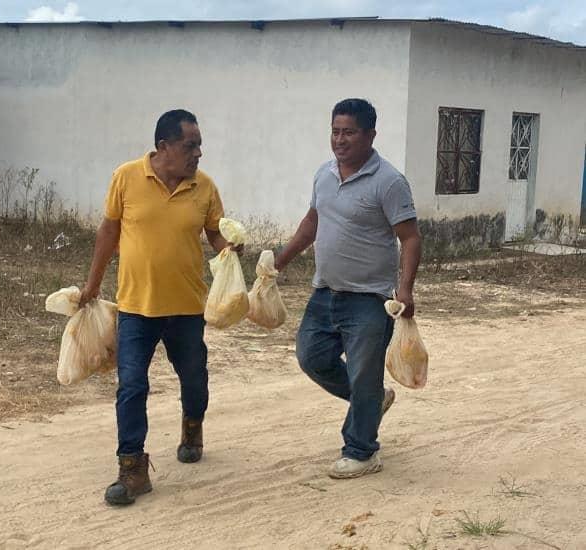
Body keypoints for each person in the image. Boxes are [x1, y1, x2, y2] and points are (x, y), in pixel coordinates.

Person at [79, 109, 237, 506]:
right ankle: (132, 468)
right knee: (131, 385)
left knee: (194, 379)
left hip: (186, 308)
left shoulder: (204, 187)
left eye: (199, 144)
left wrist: (229, 251)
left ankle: (192, 424)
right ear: (163, 147)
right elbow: (110, 230)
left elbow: (214, 232)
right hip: (136, 307)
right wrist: (93, 284)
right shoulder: (127, 177)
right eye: (191, 145)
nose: (199, 152)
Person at [275, 98, 422, 479]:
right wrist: (279, 260)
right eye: (335, 131)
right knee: (311, 357)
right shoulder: (324, 174)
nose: (340, 140)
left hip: (370, 300)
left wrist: (404, 290)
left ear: (370, 135)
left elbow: (410, 238)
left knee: (363, 374)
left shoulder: (389, 181)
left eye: (349, 132)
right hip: (325, 292)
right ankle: (372, 402)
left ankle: (361, 450)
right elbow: (312, 223)